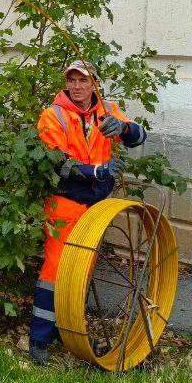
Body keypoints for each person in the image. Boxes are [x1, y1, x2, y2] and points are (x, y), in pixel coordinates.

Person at [30, 60, 147, 366]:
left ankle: (67, 330)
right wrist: (97, 170)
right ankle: (39, 339)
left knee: (81, 268)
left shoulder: (107, 110)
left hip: (96, 206)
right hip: (65, 202)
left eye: (83, 80)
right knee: (55, 270)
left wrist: (122, 128)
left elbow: (139, 137)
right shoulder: (52, 115)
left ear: (94, 82)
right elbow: (55, 162)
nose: (77, 86)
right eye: (72, 80)